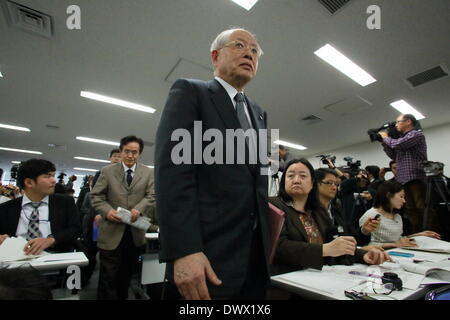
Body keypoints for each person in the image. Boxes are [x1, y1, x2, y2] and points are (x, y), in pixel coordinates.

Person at [155, 28, 270, 300]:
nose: (249, 53)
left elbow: (257, 183)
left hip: (254, 258)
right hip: (205, 256)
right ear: (216, 56)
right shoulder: (191, 92)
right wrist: (184, 251)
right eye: (240, 45)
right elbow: (174, 175)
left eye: (255, 51)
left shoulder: (259, 113)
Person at [269, 159, 390, 276]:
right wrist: (324, 249)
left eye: (303, 176)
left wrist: (363, 255)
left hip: (319, 276)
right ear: (283, 181)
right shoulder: (273, 205)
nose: (296, 180)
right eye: (290, 176)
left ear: (312, 184)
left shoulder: (318, 211)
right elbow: (278, 247)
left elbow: (334, 245)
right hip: (286, 280)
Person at [91, 135, 155, 300]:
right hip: (111, 232)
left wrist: (139, 209)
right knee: (108, 278)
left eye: (135, 152)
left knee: (125, 276)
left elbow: (151, 195)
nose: (130, 156)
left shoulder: (147, 172)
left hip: (134, 234)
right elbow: (96, 196)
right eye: (127, 151)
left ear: (139, 154)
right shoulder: (107, 171)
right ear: (120, 151)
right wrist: (107, 211)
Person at [0, 159, 80, 254]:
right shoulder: (6, 208)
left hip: (53, 256)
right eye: (47, 176)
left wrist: (51, 239)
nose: (54, 181)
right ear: (29, 182)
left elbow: (75, 229)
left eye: (53, 175)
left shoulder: (65, 203)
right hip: (15, 257)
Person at [379, 114, 428, 233]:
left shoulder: (416, 134)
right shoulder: (400, 139)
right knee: (410, 209)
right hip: (403, 179)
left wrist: (385, 137)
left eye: (397, 122)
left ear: (408, 122)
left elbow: (397, 144)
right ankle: (418, 234)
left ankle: (431, 233)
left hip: (415, 177)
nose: (395, 125)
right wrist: (383, 142)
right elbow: (393, 155)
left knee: (422, 207)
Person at [359, 181, 440, 249]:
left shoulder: (397, 216)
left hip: (397, 251)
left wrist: (419, 235)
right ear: (388, 195)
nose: (404, 201)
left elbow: (398, 239)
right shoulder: (371, 215)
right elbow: (365, 245)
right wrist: (395, 245)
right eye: (401, 196)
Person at [315, 168, 374, 247]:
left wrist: (364, 231)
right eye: (329, 183)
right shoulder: (309, 212)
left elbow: (350, 237)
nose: (334, 187)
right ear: (315, 184)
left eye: (336, 184)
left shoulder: (335, 210)